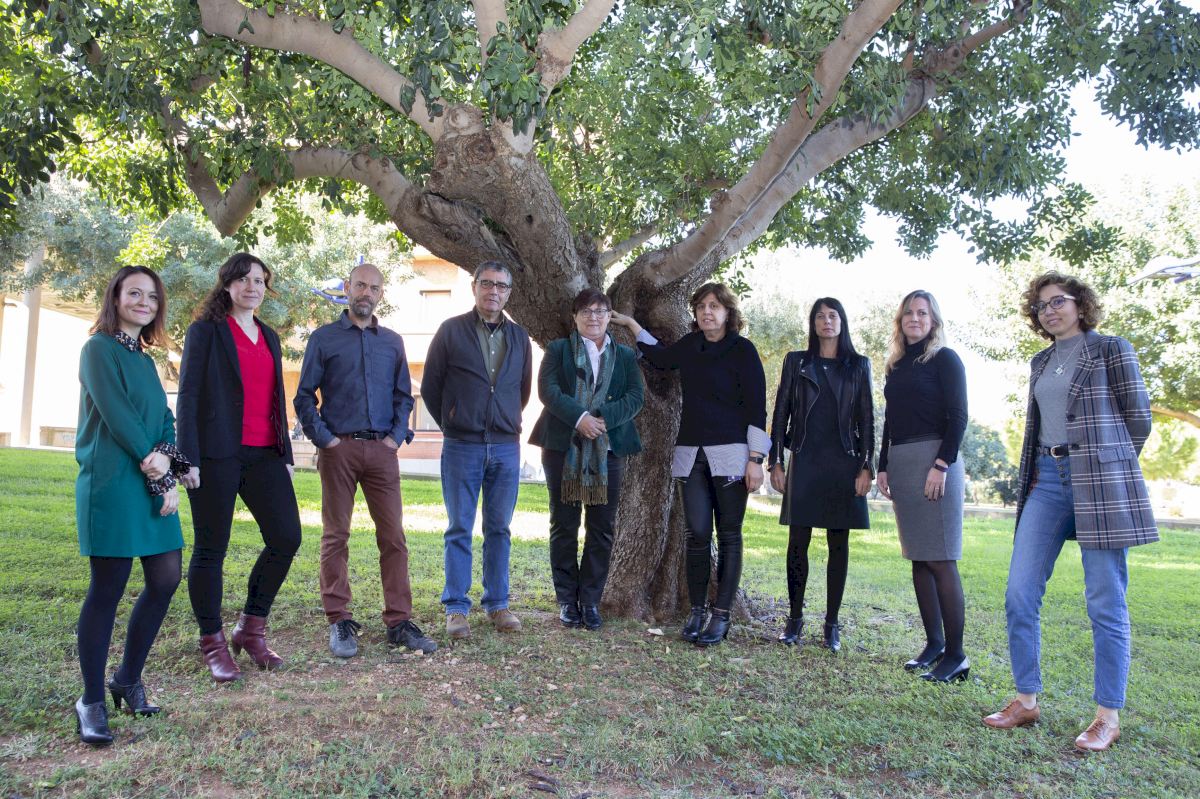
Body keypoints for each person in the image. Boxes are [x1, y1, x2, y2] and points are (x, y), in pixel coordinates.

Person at [983, 272, 1156, 752]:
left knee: (1104, 599)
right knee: (1020, 592)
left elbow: (1138, 418)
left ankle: (1107, 717)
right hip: (1047, 480)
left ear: (1080, 304)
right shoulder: (1040, 362)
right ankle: (1026, 700)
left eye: (1058, 301)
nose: (1050, 311)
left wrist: (1110, 467)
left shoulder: (1111, 349)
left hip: (1099, 481)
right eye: (1041, 306)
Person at [611, 283, 768, 647]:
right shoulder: (692, 345)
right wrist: (632, 325)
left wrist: (756, 459)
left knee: (729, 535)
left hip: (732, 455)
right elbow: (661, 357)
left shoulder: (743, 350)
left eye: (714, 306)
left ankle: (721, 614)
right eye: (701, 307)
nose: (707, 312)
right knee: (696, 534)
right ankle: (697, 611)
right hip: (691, 454)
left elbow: (757, 407)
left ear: (728, 312)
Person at [294, 262, 437, 658]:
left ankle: (399, 621)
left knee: (393, 537)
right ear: (347, 288)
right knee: (335, 536)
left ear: (380, 295)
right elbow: (304, 396)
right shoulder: (324, 339)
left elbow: (404, 396)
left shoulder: (391, 342)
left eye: (374, 288)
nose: (366, 293)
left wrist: (395, 437)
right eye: (360, 285)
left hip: (381, 453)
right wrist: (325, 440)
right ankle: (339, 619)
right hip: (338, 449)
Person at [73, 266, 187, 745]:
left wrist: (169, 460)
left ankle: (127, 680)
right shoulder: (98, 349)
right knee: (109, 587)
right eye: (134, 293)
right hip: (112, 484)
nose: (144, 302)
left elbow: (163, 417)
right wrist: (157, 469)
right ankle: (91, 700)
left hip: (149, 478)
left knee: (165, 577)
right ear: (115, 298)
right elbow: (117, 415)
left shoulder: (145, 358)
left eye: (152, 296)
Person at [176, 253, 302, 681]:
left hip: (265, 453)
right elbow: (188, 395)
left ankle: (251, 629)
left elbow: (275, 399)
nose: (253, 287)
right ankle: (212, 642)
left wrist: (285, 454)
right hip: (216, 453)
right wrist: (187, 457)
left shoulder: (269, 336)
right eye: (244, 280)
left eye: (260, 281)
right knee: (212, 548)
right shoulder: (206, 331)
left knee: (286, 537)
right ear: (227, 284)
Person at [422, 261, 533, 639]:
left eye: (501, 286)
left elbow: (522, 391)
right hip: (462, 445)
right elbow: (431, 386)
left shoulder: (519, 337)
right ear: (474, 287)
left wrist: (501, 418)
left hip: (505, 446)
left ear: (509, 293)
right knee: (459, 527)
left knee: (499, 528)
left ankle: (498, 603)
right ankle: (456, 607)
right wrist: (455, 420)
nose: (493, 291)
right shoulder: (451, 330)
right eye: (487, 283)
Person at [530, 288, 644, 631]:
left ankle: (590, 601)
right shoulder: (559, 349)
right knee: (563, 525)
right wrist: (580, 418)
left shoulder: (625, 355)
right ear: (575, 316)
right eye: (586, 311)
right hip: (562, 448)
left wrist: (603, 419)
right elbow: (548, 391)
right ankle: (567, 600)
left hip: (608, 450)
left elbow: (636, 396)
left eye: (600, 311)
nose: (593, 317)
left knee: (602, 528)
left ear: (609, 317)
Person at [768, 298, 874, 652]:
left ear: (842, 322)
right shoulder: (797, 362)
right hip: (805, 459)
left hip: (844, 463)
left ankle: (832, 624)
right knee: (797, 541)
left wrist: (867, 466)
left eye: (833, 315)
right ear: (813, 324)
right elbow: (781, 411)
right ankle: (794, 620)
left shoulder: (859, 365)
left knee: (838, 544)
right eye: (820, 316)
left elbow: (867, 419)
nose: (827, 321)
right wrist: (775, 461)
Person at [875, 290, 969, 682]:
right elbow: (891, 421)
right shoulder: (895, 366)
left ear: (933, 321)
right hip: (902, 462)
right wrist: (883, 466)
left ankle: (956, 655)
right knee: (918, 557)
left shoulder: (945, 359)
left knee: (941, 558)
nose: (915, 318)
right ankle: (933, 644)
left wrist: (941, 465)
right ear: (900, 321)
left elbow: (959, 416)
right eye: (908, 313)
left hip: (936, 461)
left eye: (922, 313)